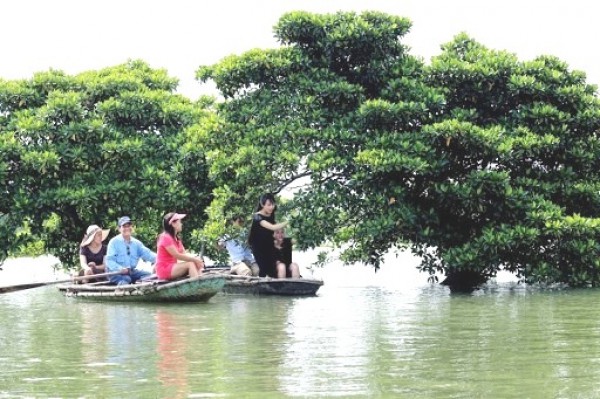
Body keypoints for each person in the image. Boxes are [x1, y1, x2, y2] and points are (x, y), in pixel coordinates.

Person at [106, 216, 156, 285]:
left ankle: (140, 287)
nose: (127, 228)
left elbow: (148, 254)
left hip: (131, 272)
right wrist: (120, 269)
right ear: (119, 229)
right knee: (126, 279)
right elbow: (109, 261)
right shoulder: (113, 242)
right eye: (124, 226)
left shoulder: (136, 243)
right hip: (115, 273)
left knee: (149, 276)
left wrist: (160, 259)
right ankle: (121, 290)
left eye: (129, 226)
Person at [248, 193, 288, 277]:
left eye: (273, 204)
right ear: (262, 204)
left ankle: (279, 286)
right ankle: (262, 288)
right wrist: (289, 221)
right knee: (263, 269)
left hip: (269, 245)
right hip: (258, 247)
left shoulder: (271, 213)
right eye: (269, 205)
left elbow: (275, 230)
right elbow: (273, 227)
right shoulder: (257, 217)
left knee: (273, 268)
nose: (271, 207)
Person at [155, 212, 204, 280]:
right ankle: (198, 285)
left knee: (194, 262)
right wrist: (194, 260)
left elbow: (184, 254)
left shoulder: (176, 239)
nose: (181, 224)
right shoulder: (165, 237)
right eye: (180, 222)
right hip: (164, 269)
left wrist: (197, 260)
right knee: (190, 264)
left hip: (172, 267)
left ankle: (201, 281)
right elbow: (177, 255)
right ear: (173, 224)